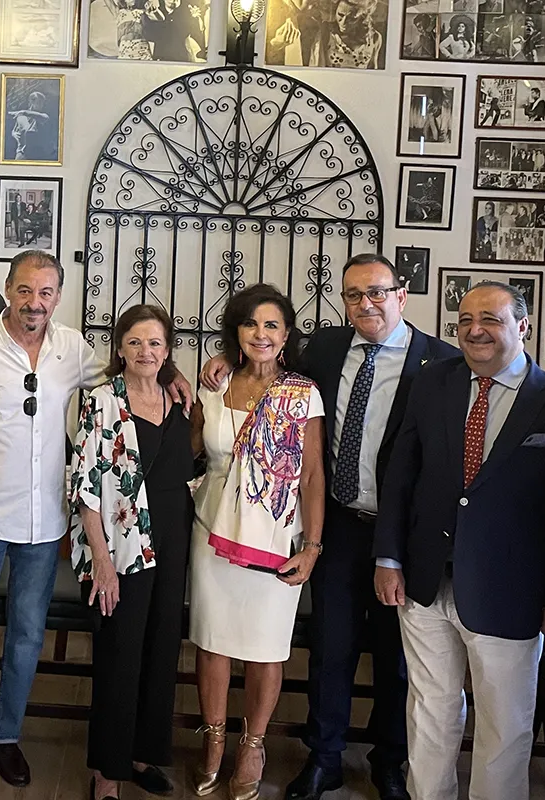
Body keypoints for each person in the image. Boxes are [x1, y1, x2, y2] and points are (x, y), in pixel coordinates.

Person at [0, 254, 188, 790]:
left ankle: (6, 736)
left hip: (46, 517)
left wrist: (175, 371)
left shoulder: (74, 349)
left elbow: (123, 380)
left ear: (58, 296)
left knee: (27, 633)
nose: (34, 302)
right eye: (25, 290)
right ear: (8, 288)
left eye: (46, 292)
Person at [374, 281, 545, 800]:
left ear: (523, 326)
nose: (475, 330)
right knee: (429, 710)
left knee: (505, 724)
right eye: (465, 319)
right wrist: (388, 556)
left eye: (490, 319)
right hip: (424, 580)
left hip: (509, 593)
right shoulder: (431, 384)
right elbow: (400, 473)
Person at [287, 255, 459, 800]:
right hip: (337, 527)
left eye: (378, 292)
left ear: (401, 295)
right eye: (355, 295)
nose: (367, 304)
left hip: (402, 537)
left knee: (397, 657)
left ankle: (391, 760)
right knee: (330, 647)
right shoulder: (324, 348)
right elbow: (267, 370)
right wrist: (218, 362)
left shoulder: (442, 362)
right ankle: (325, 757)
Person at [190, 283, 324, 800]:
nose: (261, 334)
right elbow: (191, 450)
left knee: (267, 646)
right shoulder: (214, 387)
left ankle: (253, 743)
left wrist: (312, 547)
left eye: (271, 325)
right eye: (251, 324)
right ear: (237, 332)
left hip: (275, 536)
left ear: (286, 334)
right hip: (212, 531)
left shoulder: (302, 393)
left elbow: (312, 475)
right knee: (212, 640)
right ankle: (215, 738)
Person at [67, 304, 195, 800]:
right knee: (121, 653)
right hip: (122, 545)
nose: (146, 351)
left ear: (168, 351)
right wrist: (101, 560)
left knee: (162, 649)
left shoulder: (177, 399)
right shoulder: (102, 401)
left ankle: (143, 754)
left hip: (173, 538)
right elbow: (85, 486)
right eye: (136, 342)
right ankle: (107, 770)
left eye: (156, 343)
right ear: (119, 347)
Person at [326, 0, 383, 69]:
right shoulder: (326, 35)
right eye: (340, 14)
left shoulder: (374, 38)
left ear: (362, 17)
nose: (343, 22)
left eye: (351, 18)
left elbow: (373, 70)